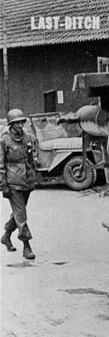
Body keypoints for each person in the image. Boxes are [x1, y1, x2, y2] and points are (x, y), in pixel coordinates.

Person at [0, 109, 37, 259]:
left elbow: (30, 159)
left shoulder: (27, 137)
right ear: (10, 124)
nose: (20, 126)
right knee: (21, 214)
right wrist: (3, 185)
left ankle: (6, 236)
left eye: (21, 122)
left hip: (26, 181)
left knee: (18, 213)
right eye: (16, 123)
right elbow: (0, 163)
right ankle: (26, 245)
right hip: (12, 182)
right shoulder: (4, 140)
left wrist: (33, 177)